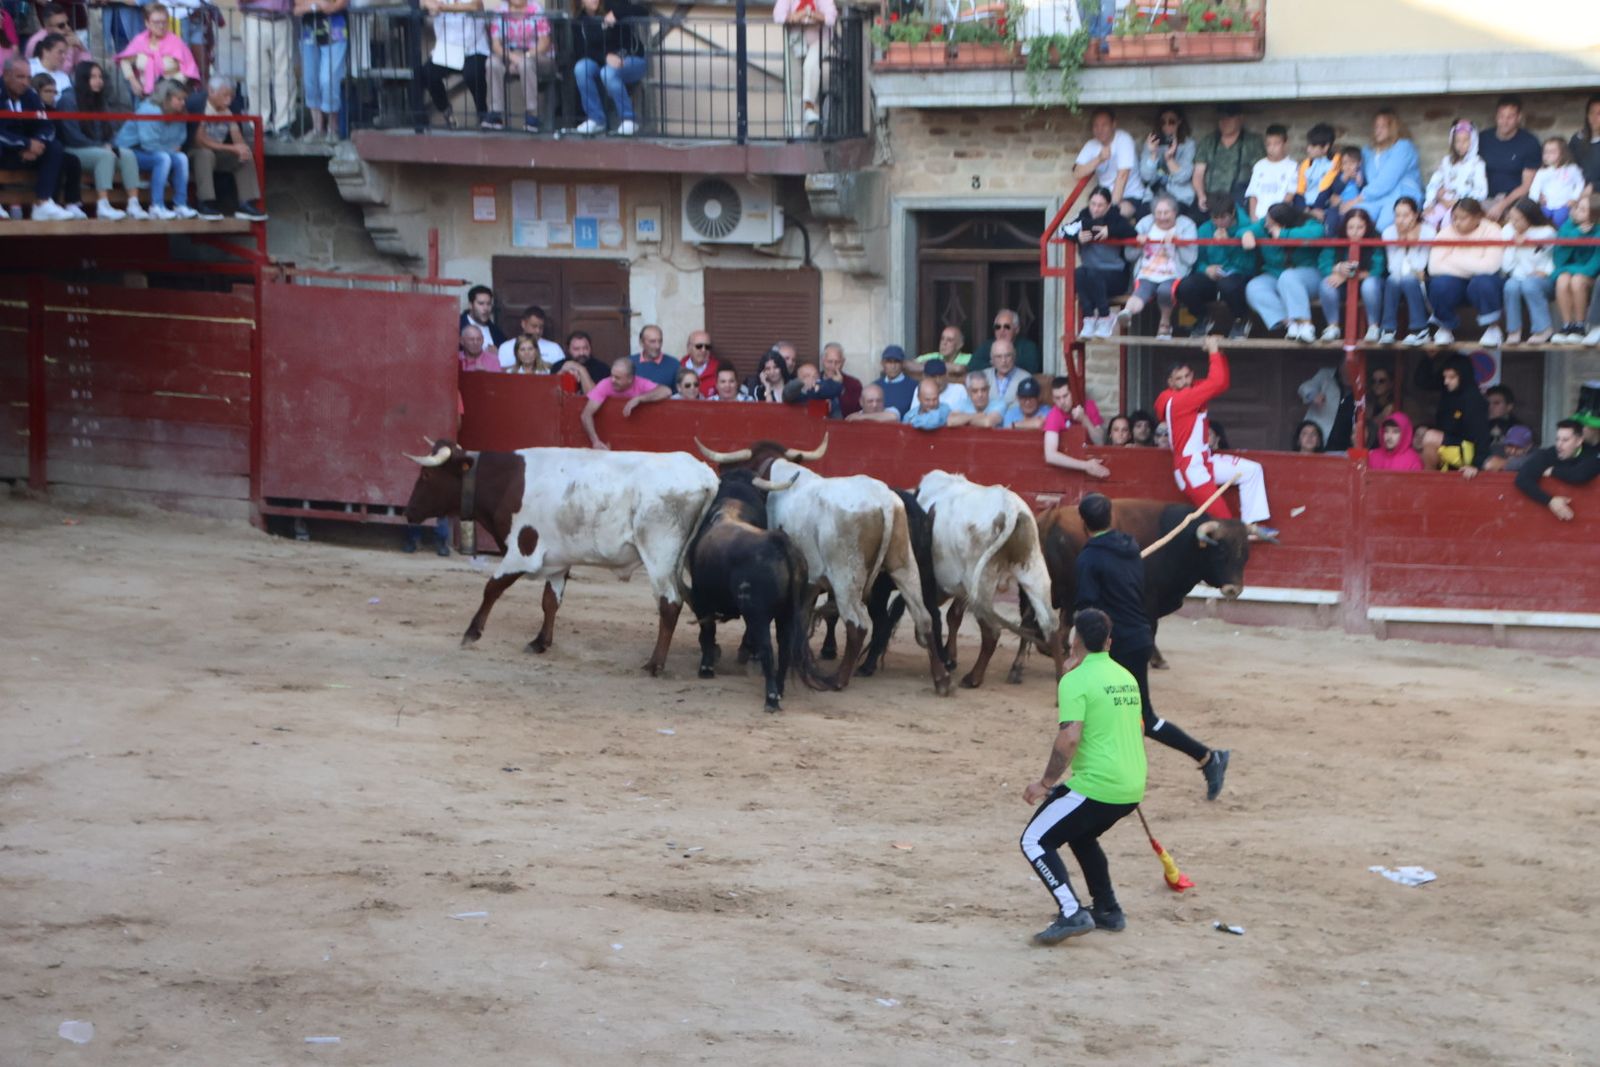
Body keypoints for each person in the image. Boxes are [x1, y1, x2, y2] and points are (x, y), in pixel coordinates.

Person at [1074, 493, 1229, 799]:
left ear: (1084, 524)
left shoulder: (1089, 559)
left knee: (1139, 717)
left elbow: (1088, 612)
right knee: (1121, 716)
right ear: (1111, 519)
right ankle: (1108, 775)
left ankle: (1209, 757)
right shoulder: (1131, 549)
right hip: (1139, 636)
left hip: (1117, 644)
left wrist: (1076, 652)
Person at [1018, 607, 1146, 944]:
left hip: (1098, 785)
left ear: (1075, 641)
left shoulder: (1075, 679)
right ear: (1108, 641)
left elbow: (1070, 737)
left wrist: (1045, 784)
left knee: (1034, 840)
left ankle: (1072, 910)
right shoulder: (1126, 677)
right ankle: (1107, 909)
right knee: (1081, 834)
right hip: (1131, 786)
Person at [1156, 337, 1273, 528]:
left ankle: (1251, 525)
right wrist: (1212, 350)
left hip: (1204, 460)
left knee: (1252, 471)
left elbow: (1221, 382)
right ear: (1170, 382)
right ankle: (1240, 535)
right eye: (1179, 378)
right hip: (1191, 469)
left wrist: (1220, 353)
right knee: (1225, 524)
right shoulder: (1183, 399)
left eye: (1188, 376)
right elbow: (1217, 382)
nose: (1186, 382)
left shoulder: (1176, 395)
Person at [57, 61, 139, 220]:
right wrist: (101, 146)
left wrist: (109, 144)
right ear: (83, 78)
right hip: (73, 149)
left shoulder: (100, 100)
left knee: (127, 154)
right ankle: (103, 204)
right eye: (93, 77)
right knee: (105, 155)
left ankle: (134, 203)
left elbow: (110, 130)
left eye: (100, 76)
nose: (98, 80)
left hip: (97, 147)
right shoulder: (68, 100)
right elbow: (72, 136)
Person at [112, 79, 198, 219]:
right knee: (163, 158)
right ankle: (156, 206)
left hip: (155, 150)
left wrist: (169, 149)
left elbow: (179, 140)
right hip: (129, 151)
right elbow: (149, 144)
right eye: (179, 99)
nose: (183, 103)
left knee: (182, 158)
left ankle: (180, 204)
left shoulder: (181, 114)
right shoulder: (150, 110)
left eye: (184, 99)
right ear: (167, 98)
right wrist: (169, 149)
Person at [1115, 194, 1196, 339]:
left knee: (1164, 291)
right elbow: (1130, 255)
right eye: (1159, 213)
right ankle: (1127, 312)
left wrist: (1178, 242)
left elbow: (1191, 259)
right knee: (1140, 292)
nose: (1162, 217)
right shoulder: (1145, 224)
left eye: (1166, 213)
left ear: (1175, 213)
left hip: (1172, 273)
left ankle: (1164, 324)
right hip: (1147, 272)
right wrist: (1138, 243)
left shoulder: (1186, 225)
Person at [188, 75, 269, 221]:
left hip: (218, 152)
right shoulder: (198, 103)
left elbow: (236, 134)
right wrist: (232, 148)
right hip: (194, 153)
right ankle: (205, 203)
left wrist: (242, 148)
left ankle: (246, 203)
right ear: (211, 92)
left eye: (231, 95)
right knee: (206, 154)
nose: (229, 100)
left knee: (244, 155)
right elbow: (199, 141)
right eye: (224, 95)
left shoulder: (231, 107)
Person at [1426, 198, 1504, 347]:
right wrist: (1474, 265)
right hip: (1456, 283)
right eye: (1454, 217)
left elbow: (1490, 267)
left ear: (1477, 217)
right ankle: (1445, 327)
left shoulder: (1492, 230)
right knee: (1439, 284)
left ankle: (1493, 328)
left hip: (1482, 282)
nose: (1457, 222)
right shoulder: (1445, 233)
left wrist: (1453, 258)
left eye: (1463, 218)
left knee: (1482, 282)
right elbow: (1434, 267)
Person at [1242, 202, 1325, 342]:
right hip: (1276, 274)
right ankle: (1290, 323)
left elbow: (1318, 233)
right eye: (1267, 221)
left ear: (1284, 223)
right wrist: (1247, 234)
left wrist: (1284, 234)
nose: (1267, 225)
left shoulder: (1306, 222)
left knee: (1289, 277)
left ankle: (1306, 326)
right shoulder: (1265, 224)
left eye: (1271, 223)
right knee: (1254, 287)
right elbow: (1244, 230)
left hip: (1309, 275)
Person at [1177, 193, 1255, 339]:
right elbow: (1197, 260)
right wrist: (1206, 269)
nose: (1219, 222)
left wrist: (1228, 244)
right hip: (1213, 278)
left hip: (1238, 278)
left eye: (1223, 217)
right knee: (1185, 286)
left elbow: (1248, 265)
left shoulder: (1246, 228)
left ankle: (1241, 319)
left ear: (1232, 213)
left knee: (1228, 285)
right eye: (1215, 218)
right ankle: (1202, 317)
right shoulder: (1205, 230)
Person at [569, 0, 649, 137]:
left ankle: (628, 119)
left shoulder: (611, 6)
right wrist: (605, 57)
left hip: (632, 58)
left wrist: (616, 13)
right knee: (581, 68)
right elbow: (582, 51)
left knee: (608, 73)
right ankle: (596, 119)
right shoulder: (579, 21)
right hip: (603, 62)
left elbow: (643, 11)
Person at [1065, 186, 1136, 340]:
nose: (1095, 209)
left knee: (1091, 273)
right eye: (1093, 204)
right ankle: (1089, 317)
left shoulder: (1116, 218)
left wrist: (1110, 231)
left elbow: (1131, 232)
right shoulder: (1083, 217)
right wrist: (1077, 237)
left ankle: (1105, 316)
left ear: (1108, 206)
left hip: (1115, 275)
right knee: (1078, 272)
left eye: (1100, 205)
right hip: (1091, 273)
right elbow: (1064, 231)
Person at [1341, 109, 1422, 231]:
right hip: (1374, 198)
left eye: (1383, 127)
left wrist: (1356, 200)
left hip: (1401, 196)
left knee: (1383, 226)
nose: (1378, 131)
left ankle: (1378, 250)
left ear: (1393, 128)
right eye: (1376, 127)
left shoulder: (1403, 147)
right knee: (1355, 218)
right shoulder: (1367, 151)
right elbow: (1357, 175)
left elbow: (1387, 180)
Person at [485, 0, 555, 132]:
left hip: (537, 55)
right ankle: (495, 114)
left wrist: (524, 56)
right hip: (510, 54)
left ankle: (532, 115)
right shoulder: (500, 11)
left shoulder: (536, 9)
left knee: (525, 64)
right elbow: (496, 45)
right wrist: (512, 57)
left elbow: (544, 43)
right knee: (491, 63)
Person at [1317, 209, 1385, 341]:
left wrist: (1352, 275)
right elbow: (1323, 264)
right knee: (1326, 284)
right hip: (1343, 286)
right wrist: (1337, 268)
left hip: (1369, 284)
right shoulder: (1337, 240)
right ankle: (1333, 327)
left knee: (1369, 285)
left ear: (1367, 227)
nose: (1355, 232)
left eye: (1360, 227)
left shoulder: (1375, 239)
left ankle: (1373, 328)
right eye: (1351, 227)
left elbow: (1378, 268)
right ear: (1344, 227)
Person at [1415, 352, 1490, 470]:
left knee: (1430, 436)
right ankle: (1430, 482)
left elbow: (1482, 436)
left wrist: (1475, 465)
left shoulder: (1473, 399)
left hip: (1468, 451)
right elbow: (1422, 382)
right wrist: (1428, 357)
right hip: (1449, 445)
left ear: (1463, 376)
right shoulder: (1449, 389)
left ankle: (1428, 481)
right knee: (1423, 438)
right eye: (1445, 377)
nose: (1446, 381)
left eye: (1451, 377)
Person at [1513, 418, 1599, 519]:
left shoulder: (1592, 454)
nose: (1559, 445)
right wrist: (1550, 501)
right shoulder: (1548, 454)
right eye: (1557, 439)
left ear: (1579, 441)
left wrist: (1553, 471)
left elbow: (1580, 475)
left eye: (1565, 440)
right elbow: (1522, 479)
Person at [423, 0, 490, 129]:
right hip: (447, 50)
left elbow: (475, 5)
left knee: (473, 74)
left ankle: (482, 113)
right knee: (427, 73)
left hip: (474, 49)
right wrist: (427, 3)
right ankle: (446, 111)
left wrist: (442, 7)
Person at [1500, 198, 1557, 346]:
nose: (1513, 223)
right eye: (1511, 218)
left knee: (1529, 285)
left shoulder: (1547, 232)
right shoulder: (1507, 231)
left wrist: (1546, 272)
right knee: (1510, 286)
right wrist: (1514, 245)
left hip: (1544, 279)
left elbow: (1554, 257)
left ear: (1529, 218)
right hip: (1518, 277)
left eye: (1517, 219)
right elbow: (1506, 267)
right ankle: (1513, 331)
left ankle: (1543, 329)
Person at [773, 0, 834, 136]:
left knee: (810, 65)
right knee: (794, 86)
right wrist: (795, 16)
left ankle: (809, 107)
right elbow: (778, 16)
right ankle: (795, 131)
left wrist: (808, 13)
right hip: (795, 39)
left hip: (819, 38)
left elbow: (831, 17)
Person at [1191, 101, 1264, 216]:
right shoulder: (1208, 141)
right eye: (1221, 118)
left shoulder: (1252, 142)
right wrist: (1201, 196)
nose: (1224, 121)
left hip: (1240, 197)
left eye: (1229, 117)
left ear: (1240, 119)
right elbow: (1198, 173)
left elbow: (1261, 173)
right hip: (1211, 196)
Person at [1378, 196, 1433, 345]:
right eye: (1397, 215)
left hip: (1420, 280)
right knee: (1393, 278)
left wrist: (1413, 242)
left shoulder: (1428, 231)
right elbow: (1393, 267)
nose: (1400, 220)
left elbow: (1420, 265)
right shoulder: (1388, 233)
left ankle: (1419, 329)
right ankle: (1388, 329)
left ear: (1415, 215)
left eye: (1406, 215)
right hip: (1396, 279)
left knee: (1408, 279)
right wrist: (1402, 240)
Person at [580, 357, 669, 449]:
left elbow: (666, 391)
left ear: (630, 379)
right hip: (609, 442)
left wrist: (640, 398)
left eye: (617, 378)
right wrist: (595, 441)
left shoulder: (640, 383)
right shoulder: (605, 384)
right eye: (612, 375)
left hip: (641, 442)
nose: (613, 380)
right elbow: (586, 414)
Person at [1072, 107, 1145, 218]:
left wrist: (1111, 208)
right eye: (1096, 125)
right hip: (1103, 199)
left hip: (1130, 196)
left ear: (1113, 125)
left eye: (1104, 125)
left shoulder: (1123, 139)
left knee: (1112, 214)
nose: (1099, 129)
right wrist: (1099, 159)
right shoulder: (1091, 144)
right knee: (1081, 217)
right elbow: (1077, 173)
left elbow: (1122, 176)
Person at [1478, 95, 1542, 223]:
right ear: (1496, 116)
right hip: (1483, 198)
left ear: (1519, 118)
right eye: (1501, 116)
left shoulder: (1529, 142)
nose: (1505, 121)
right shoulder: (1483, 139)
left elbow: (1526, 186)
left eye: (1510, 117)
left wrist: (1502, 205)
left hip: (1514, 201)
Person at [241, 0, 298, 140]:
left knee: (285, 75)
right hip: (255, 19)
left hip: (282, 19)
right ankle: (261, 125)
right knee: (256, 76)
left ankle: (284, 124)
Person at [295, 0, 348, 142]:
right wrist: (319, 4)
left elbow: (340, 4)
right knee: (309, 80)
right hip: (308, 32)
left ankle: (333, 127)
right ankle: (317, 128)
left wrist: (312, 6)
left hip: (335, 31)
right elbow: (297, 6)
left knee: (329, 78)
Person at [1421, 120, 1487, 230]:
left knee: (1448, 223)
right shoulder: (1447, 162)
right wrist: (1430, 203)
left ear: (1473, 141)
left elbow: (1481, 192)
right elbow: (1434, 183)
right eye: (1457, 141)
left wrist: (1457, 202)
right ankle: (1433, 247)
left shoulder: (1478, 164)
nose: (1461, 145)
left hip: (1463, 206)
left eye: (1465, 141)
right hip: (1443, 202)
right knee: (1427, 220)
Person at [1552, 193, 1600, 343]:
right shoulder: (1568, 226)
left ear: (1593, 214)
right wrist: (1577, 235)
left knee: (1577, 281)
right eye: (1578, 207)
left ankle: (1580, 326)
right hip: (1570, 270)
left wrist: (1574, 271)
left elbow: (1595, 264)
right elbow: (1559, 260)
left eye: (1583, 210)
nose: (1577, 211)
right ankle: (1568, 325)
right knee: (1562, 279)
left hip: (1590, 274)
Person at [1042, 377, 1108, 478]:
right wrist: (1086, 465)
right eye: (1057, 398)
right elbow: (1050, 455)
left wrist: (1084, 419)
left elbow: (1100, 442)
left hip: (1096, 463)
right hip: (1069, 473)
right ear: (1053, 398)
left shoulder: (1089, 406)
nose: (1062, 402)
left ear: (1072, 393)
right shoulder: (1054, 414)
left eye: (1065, 396)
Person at [1138, 106, 1196, 217]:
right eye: (1163, 122)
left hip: (1179, 196)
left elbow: (1183, 177)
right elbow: (1146, 176)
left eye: (1171, 122)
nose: (1166, 126)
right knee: (1142, 214)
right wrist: (1153, 154)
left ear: (1179, 122)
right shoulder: (1152, 144)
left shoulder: (1188, 144)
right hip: (1154, 196)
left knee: (1174, 214)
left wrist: (1169, 159)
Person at [1244, 123, 1296, 222]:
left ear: (1285, 144)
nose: (1272, 148)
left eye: (1276, 144)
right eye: (1269, 144)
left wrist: (1276, 217)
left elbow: (1289, 195)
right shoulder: (1259, 166)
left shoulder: (1292, 167)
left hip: (1280, 218)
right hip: (1259, 218)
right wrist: (1253, 218)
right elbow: (1253, 195)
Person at [970, 308, 1042, 374]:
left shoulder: (1028, 347)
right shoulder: (987, 345)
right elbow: (973, 365)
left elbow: (1029, 367)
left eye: (1007, 327)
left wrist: (994, 364)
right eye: (998, 327)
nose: (1002, 331)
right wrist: (1000, 365)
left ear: (1016, 330)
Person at [24, 5, 89, 77]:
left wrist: (81, 47)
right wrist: (68, 49)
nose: (67, 28)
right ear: (48, 28)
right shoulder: (36, 42)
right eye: (61, 26)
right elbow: (61, 72)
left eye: (68, 23)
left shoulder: (69, 36)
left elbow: (86, 67)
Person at [1294, 122, 1339, 226]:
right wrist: (1307, 210)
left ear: (1326, 147)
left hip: (1324, 206)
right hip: (1305, 207)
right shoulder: (1306, 163)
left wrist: (1316, 209)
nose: (1308, 149)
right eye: (1308, 145)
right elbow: (1299, 191)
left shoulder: (1335, 162)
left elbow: (1326, 189)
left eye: (1313, 146)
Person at [1320, 145, 1365, 237]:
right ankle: (1329, 240)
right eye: (1345, 163)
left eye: (1352, 163)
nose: (1348, 166)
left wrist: (1360, 183)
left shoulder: (1361, 176)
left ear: (1359, 163)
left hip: (1354, 206)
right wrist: (1344, 179)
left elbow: (1365, 191)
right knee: (1331, 217)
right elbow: (1335, 190)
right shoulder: (1340, 176)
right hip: (1338, 205)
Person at [497, 305, 563, 368]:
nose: (538, 331)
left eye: (541, 327)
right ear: (523, 324)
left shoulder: (555, 349)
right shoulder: (506, 348)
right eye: (534, 326)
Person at [980, 339, 1028, 409]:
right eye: (999, 357)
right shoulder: (982, 377)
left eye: (1008, 356)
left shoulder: (1025, 378)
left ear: (1014, 357)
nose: (1004, 361)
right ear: (992, 360)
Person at [1570, 94, 1600, 199]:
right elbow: (1568, 165)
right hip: (1575, 188)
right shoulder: (1577, 139)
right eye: (1591, 113)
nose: (1594, 118)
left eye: (1599, 114)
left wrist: (1593, 186)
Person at [820, 343, 862, 416]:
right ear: (822, 361)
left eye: (837, 362)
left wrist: (840, 387)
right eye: (829, 362)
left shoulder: (854, 384)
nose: (833, 366)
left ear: (843, 362)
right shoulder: (815, 380)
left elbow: (853, 411)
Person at [873, 345, 915, 415]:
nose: (893, 366)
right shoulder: (874, 386)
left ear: (902, 364)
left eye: (896, 362)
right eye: (889, 362)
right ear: (882, 363)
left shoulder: (914, 386)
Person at [27, 32, 70, 97]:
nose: (64, 57)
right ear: (45, 51)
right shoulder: (28, 66)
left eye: (65, 53)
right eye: (60, 52)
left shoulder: (64, 77)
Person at [678, 330, 718, 396]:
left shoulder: (718, 370)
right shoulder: (677, 368)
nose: (703, 350)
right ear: (689, 348)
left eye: (707, 347)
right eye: (699, 346)